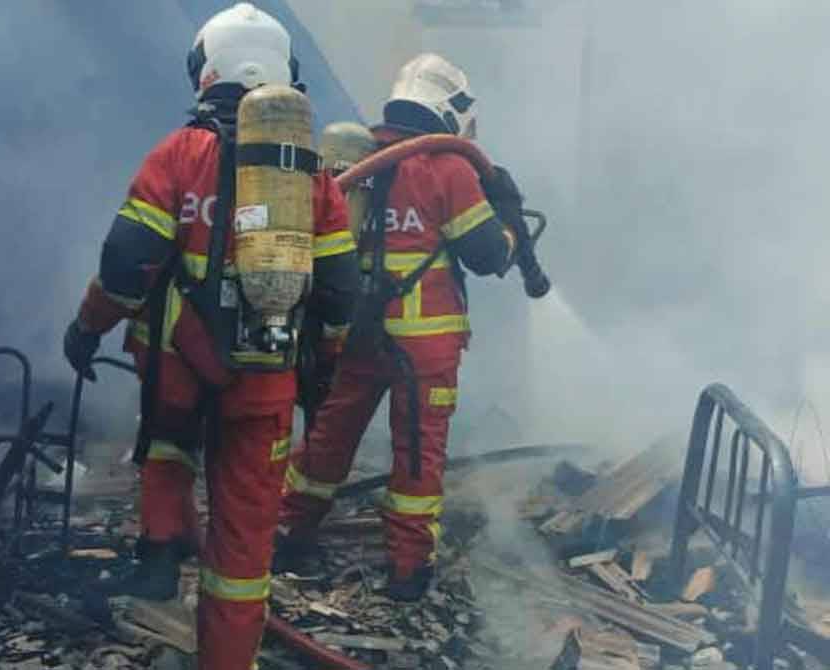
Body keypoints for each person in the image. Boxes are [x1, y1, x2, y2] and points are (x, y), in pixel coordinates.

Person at [62, 4, 358, 667]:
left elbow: (125, 267)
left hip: (179, 366)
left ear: (207, 71)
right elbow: (340, 290)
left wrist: (87, 328)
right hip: (265, 382)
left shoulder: (178, 156)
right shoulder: (310, 176)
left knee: (168, 439)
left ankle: (160, 547)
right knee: (244, 545)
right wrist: (324, 366)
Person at [277, 53, 524, 602]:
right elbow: (487, 255)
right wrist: (509, 221)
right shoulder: (447, 168)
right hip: (424, 345)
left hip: (361, 332)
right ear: (450, 111)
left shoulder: (362, 157)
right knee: (416, 454)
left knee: (330, 436)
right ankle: (408, 570)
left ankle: (288, 533)